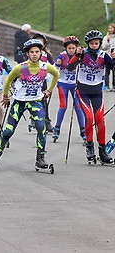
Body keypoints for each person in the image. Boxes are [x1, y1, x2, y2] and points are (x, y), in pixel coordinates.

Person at [0, 39, 59, 172]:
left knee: (41, 127)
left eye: (37, 51)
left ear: (41, 52)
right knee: (8, 131)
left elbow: (56, 74)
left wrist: (49, 90)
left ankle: (40, 158)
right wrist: (5, 96)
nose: (35, 54)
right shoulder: (20, 67)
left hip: (36, 101)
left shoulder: (44, 66)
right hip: (19, 101)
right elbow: (8, 80)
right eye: (32, 52)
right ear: (27, 54)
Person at [68, 30, 115, 164]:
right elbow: (71, 67)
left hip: (97, 91)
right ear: (88, 44)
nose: (94, 45)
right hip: (82, 91)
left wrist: (114, 59)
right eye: (92, 43)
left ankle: (102, 149)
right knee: (89, 117)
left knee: (99, 118)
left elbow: (113, 69)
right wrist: (76, 55)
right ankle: (89, 146)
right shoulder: (83, 53)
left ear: (100, 43)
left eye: (96, 43)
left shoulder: (103, 55)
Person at [52, 36, 86, 142]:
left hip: (75, 84)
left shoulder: (80, 56)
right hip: (63, 84)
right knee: (63, 106)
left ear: (76, 48)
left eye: (73, 48)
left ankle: (83, 130)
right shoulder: (62, 56)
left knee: (78, 107)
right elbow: (54, 68)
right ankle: (56, 129)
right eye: (69, 48)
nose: (71, 50)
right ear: (65, 48)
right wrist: (57, 65)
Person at [28, 33, 54, 133]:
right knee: (33, 100)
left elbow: (53, 65)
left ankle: (47, 121)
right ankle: (34, 119)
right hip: (32, 81)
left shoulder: (46, 54)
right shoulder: (31, 53)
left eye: (41, 42)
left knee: (44, 102)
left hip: (42, 80)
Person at [102, 23, 115, 91]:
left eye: (111, 28)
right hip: (107, 56)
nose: (110, 30)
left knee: (114, 71)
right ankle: (107, 86)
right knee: (107, 71)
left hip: (114, 56)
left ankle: (114, 86)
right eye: (109, 28)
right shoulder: (106, 37)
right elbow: (104, 47)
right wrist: (107, 41)